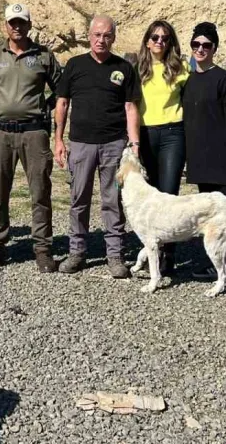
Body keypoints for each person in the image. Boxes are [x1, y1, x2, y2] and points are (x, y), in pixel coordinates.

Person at [53, 15, 141, 278]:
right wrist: (58, 139)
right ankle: (77, 252)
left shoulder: (124, 68)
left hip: (113, 145)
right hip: (80, 145)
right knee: (78, 199)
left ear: (114, 37)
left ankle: (115, 255)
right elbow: (62, 104)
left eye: (107, 35)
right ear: (88, 36)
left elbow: (130, 107)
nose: (101, 40)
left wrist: (134, 143)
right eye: (97, 35)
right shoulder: (75, 65)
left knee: (111, 199)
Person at [0, 3, 61, 273]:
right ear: (5, 25)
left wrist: (44, 107)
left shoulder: (44, 56)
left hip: (34, 133)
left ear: (29, 24)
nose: (17, 27)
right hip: (0, 133)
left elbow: (62, 89)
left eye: (21, 22)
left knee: (40, 191)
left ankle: (43, 248)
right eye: (12, 22)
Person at [181, 21, 226, 291]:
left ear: (215, 48)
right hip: (200, 160)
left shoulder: (225, 80)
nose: (200, 49)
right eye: (196, 44)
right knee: (213, 217)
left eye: (206, 45)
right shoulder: (188, 79)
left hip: (223, 158)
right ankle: (220, 264)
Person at [136, 20, 189, 277]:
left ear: (170, 43)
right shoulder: (137, 68)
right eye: (155, 37)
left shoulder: (181, 68)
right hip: (145, 134)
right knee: (151, 196)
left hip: (172, 134)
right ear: (147, 40)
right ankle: (151, 253)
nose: (159, 42)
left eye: (165, 38)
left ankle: (169, 255)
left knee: (168, 195)